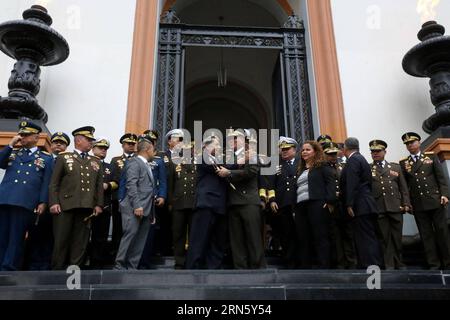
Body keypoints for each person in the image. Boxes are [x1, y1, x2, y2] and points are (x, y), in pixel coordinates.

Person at [0, 121, 53, 271]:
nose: (21, 137)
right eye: (21, 134)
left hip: (24, 201)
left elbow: (46, 182)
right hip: (5, 198)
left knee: (16, 237)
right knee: (2, 235)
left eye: (26, 135)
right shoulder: (13, 152)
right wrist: (10, 145)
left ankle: (9, 267)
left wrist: (43, 201)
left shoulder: (46, 158)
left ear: (36, 137)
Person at [49, 126, 104, 270]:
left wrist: (98, 204)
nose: (91, 142)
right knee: (61, 239)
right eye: (89, 139)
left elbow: (98, 186)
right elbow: (54, 183)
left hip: (86, 205)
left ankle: (74, 271)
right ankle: (57, 269)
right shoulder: (64, 157)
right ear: (78, 140)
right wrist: (53, 202)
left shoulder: (96, 161)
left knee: (81, 241)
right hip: (65, 204)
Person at [400, 132, 450, 269]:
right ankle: (434, 264)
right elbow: (405, 186)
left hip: (435, 201)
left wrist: (445, 195)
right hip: (419, 204)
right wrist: (408, 203)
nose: (410, 145)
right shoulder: (404, 163)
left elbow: (441, 179)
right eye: (407, 144)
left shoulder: (431, 157)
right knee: (426, 236)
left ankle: (448, 263)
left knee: (443, 233)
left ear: (419, 142)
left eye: (412, 142)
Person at [217, 130, 266, 269]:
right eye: (230, 139)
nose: (232, 141)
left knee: (253, 237)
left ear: (244, 140)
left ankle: (257, 267)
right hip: (232, 202)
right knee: (236, 240)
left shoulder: (251, 154)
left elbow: (251, 172)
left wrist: (230, 172)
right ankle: (240, 268)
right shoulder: (227, 157)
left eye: (235, 139)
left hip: (249, 200)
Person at [25, 132, 70, 270]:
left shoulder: (70, 162)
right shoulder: (43, 159)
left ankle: (49, 264)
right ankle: (34, 264)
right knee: (37, 233)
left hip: (60, 204)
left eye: (61, 143)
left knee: (55, 236)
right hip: (41, 203)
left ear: (66, 146)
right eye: (55, 142)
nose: (58, 144)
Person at [114, 133, 156, 270]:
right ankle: (119, 265)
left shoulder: (147, 164)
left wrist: (152, 214)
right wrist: (137, 205)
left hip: (146, 209)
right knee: (130, 236)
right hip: (134, 207)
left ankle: (132, 267)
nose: (154, 153)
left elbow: (150, 191)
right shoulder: (134, 162)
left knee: (140, 240)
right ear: (147, 150)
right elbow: (131, 185)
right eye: (153, 150)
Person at [185, 136, 228, 269]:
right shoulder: (203, 157)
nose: (220, 147)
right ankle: (193, 267)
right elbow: (218, 168)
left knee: (217, 239)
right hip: (206, 203)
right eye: (217, 145)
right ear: (206, 147)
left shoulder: (217, 159)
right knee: (199, 238)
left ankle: (213, 266)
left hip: (219, 204)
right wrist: (241, 161)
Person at [340, 137, 382, 268]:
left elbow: (352, 183)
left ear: (345, 148)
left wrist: (349, 204)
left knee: (365, 238)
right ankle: (369, 265)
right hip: (366, 203)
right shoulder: (361, 158)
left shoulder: (353, 160)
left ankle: (371, 267)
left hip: (360, 205)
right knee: (366, 237)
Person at [369, 139, 410, 270]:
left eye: (378, 151)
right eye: (373, 152)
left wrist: (406, 203)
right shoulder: (368, 168)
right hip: (379, 207)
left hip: (395, 206)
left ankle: (400, 262)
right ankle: (389, 264)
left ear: (385, 152)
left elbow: (403, 187)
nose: (375, 153)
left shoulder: (395, 167)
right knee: (384, 238)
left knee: (397, 237)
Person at [294, 141, 336, 268]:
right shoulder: (300, 169)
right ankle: (306, 266)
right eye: (303, 150)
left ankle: (324, 265)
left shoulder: (322, 167)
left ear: (316, 152)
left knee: (320, 235)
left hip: (317, 204)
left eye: (308, 149)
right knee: (303, 236)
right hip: (301, 206)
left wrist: (329, 201)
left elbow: (330, 184)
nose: (304, 152)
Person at [323, 142, 357, 269]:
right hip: (332, 205)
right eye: (329, 154)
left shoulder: (343, 166)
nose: (332, 156)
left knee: (348, 234)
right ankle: (340, 262)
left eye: (334, 154)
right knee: (335, 236)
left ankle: (351, 261)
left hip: (343, 204)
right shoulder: (322, 168)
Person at [267, 137, 299, 268]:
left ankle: (302, 259)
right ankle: (289, 260)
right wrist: (272, 200)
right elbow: (270, 184)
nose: (284, 152)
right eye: (282, 149)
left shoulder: (301, 162)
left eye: (287, 149)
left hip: (298, 203)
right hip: (283, 203)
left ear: (295, 149)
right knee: (286, 233)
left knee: (300, 232)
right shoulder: (276, 164)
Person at [168, 141, 197, 269]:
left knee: (193, 234)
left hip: (193, 203)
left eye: (189, 149)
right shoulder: (175, 163)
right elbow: (170, 185)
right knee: (178, 234)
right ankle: (179, 261)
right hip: (178, 204)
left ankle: (191, 261)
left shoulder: (198, 163)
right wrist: (170, 202)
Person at [90, 138, 116, 268]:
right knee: (82, 237)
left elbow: (116, 181)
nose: (103, 150)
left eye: (105, 149)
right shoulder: (86, 162)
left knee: (101, 237)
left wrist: (108, 185)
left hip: (104, 205)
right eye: (100, 148)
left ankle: (97, 263)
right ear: (93, 148)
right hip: (86, 205)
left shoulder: (109, 166)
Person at [110, 133, 138, 255]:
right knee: (118, 227)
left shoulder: (139, 160)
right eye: (129, 144)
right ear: (123, 145)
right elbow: (114, 178)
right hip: (120, 198)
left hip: (136, 199)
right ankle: (116, 253)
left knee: (134, 228)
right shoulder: (116, 160)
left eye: (133, 144)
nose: (131, 146)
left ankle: (131, 254)